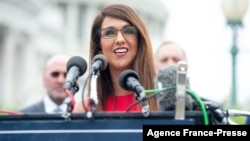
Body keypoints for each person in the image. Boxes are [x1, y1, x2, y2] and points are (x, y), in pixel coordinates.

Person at [73, 4, 158, 113]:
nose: (120, 40)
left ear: (139, 41)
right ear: (99, 47)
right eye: (109, 32)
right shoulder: (84, 109)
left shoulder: (161, 103)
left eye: (128, 31)